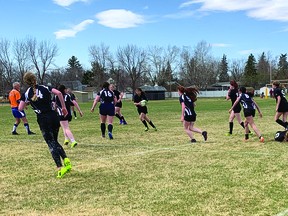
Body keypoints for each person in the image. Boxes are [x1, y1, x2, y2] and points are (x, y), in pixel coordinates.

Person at [18, 72, 71, 178]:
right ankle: (66, 160)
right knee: (54, 141)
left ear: (26, 82)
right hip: (54, 116)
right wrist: (64, 107)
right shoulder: (45, 87)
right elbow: (59, 93)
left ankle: (59, 168)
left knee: (50, 143)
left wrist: (28, 103)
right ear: (35, 79)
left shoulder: (27, 93)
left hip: (43, 119)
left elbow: (20, 108)